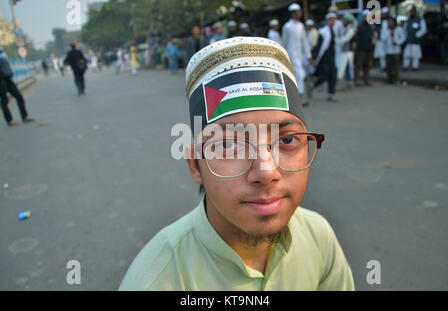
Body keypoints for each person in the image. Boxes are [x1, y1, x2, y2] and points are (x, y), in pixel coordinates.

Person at [119, 36, 354, 290]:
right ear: (195, 165)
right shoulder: (157, 281)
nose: (266, 171)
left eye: (286, 139)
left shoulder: (318, 238)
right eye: (229, 145)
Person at [282, 3, 314, 106]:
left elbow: (305, 42)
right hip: (290, 56)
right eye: (298, 12)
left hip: (299, 56)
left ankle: (298, 97)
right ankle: (297, 97)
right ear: (293, 13)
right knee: (297, 75)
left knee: (300, 75)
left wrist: (309, 56)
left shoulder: (301, 26)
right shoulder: (287, 26)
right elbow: (284, 42)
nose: (300, 13)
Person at [0, 47, 35, 126]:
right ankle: (9, 121)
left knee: (19, 96)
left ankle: (24, 117)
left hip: (8, 79)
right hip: (1, 80)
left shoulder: (2, 53)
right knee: (4, 101)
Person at [309, 13, 339, 102]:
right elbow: (318, 46)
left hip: (332, 56)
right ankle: (313, 85)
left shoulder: (333, 31)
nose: (332, 22)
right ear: (327, 21)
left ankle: (331, 94)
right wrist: (313, 58)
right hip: (324, 57)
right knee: (324, 75)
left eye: (334, 20)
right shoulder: (323, 32)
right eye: (331, 20)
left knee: (333, 75)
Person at [382, 16, 406, 84]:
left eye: (391, 22)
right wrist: (389, 34)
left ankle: (396, 79)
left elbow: (403, 38)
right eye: (388, 22)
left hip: (396, 50)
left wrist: (397, 42)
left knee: (396, 66)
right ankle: (389, 79)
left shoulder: (398, 29)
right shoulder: (385, 30)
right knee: (388, 66)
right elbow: (382, 38)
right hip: (388, 50)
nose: (390, 23)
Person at [337, 12, 358, 90]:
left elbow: (345, 39)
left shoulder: (351, 29)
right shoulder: (346, 28)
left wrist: (337, 40)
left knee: (347, 67)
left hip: (348, 52)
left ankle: (349, 82)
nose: (343, 21)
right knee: (346, 67)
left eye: (344, 20)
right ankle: (349, 82)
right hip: (345, 51)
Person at [403, 5, 427, 71]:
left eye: (413, 11)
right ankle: (406, 66)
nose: (412, 12)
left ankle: (415, 67)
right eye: (411, 11)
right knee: (406, 55)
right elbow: (404, 30)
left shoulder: (420, 20)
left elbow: (423, 30)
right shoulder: (408, 21)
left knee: (415, 55)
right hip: (409, 41)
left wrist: (417, 35)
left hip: (416, 41)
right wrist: (406, 36)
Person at [353, 10, 373, 87]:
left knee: (367, 66)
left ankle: (366, 80)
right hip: (360, 49)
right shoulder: (359, 27)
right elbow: (355, 37)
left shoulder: (370, 27)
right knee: (358, 65)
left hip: (368, 49)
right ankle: (356, 80)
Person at [373, 7, 390, 71]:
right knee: (381, 54)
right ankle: (383, 66)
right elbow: (376, 29)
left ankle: (388, 66)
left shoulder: (390, 20)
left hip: (388, 40)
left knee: (388, 54)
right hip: (380, 40)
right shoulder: (378, 21)